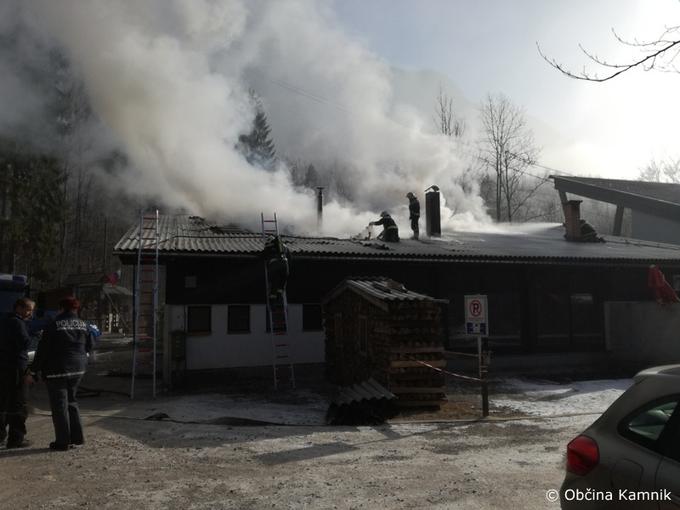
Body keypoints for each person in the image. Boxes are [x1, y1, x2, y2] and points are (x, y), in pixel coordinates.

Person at [32, 297, 93, 451]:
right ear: (76, 309)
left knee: (59, 406)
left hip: (56, 369)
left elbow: (43, 350)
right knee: (72, 401)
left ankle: (63, 441)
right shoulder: (84, 325)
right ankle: (78, 438)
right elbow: (90, 346)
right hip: (78, 368)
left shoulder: (53, 325)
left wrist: (33, 369)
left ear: (61, 308)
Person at [0, 298, 35, 448]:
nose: (30, 313)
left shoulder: (4, 320)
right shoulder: (17, 323)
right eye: (28, 310)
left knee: (2, 401)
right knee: (19, 403)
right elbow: (25, 343)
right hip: (16, 366)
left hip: (4, 365)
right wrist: (35, 336)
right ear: (19, 308)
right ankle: (16, 438)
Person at [262, 235, 291, 300]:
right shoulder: (284, 246)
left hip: (274, 266)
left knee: (274, 282)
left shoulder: (268, 247)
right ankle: (279, 295)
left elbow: (263, 256)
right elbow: (290, 257)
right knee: (282, 283)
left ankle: (272, 300)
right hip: (285, 265)